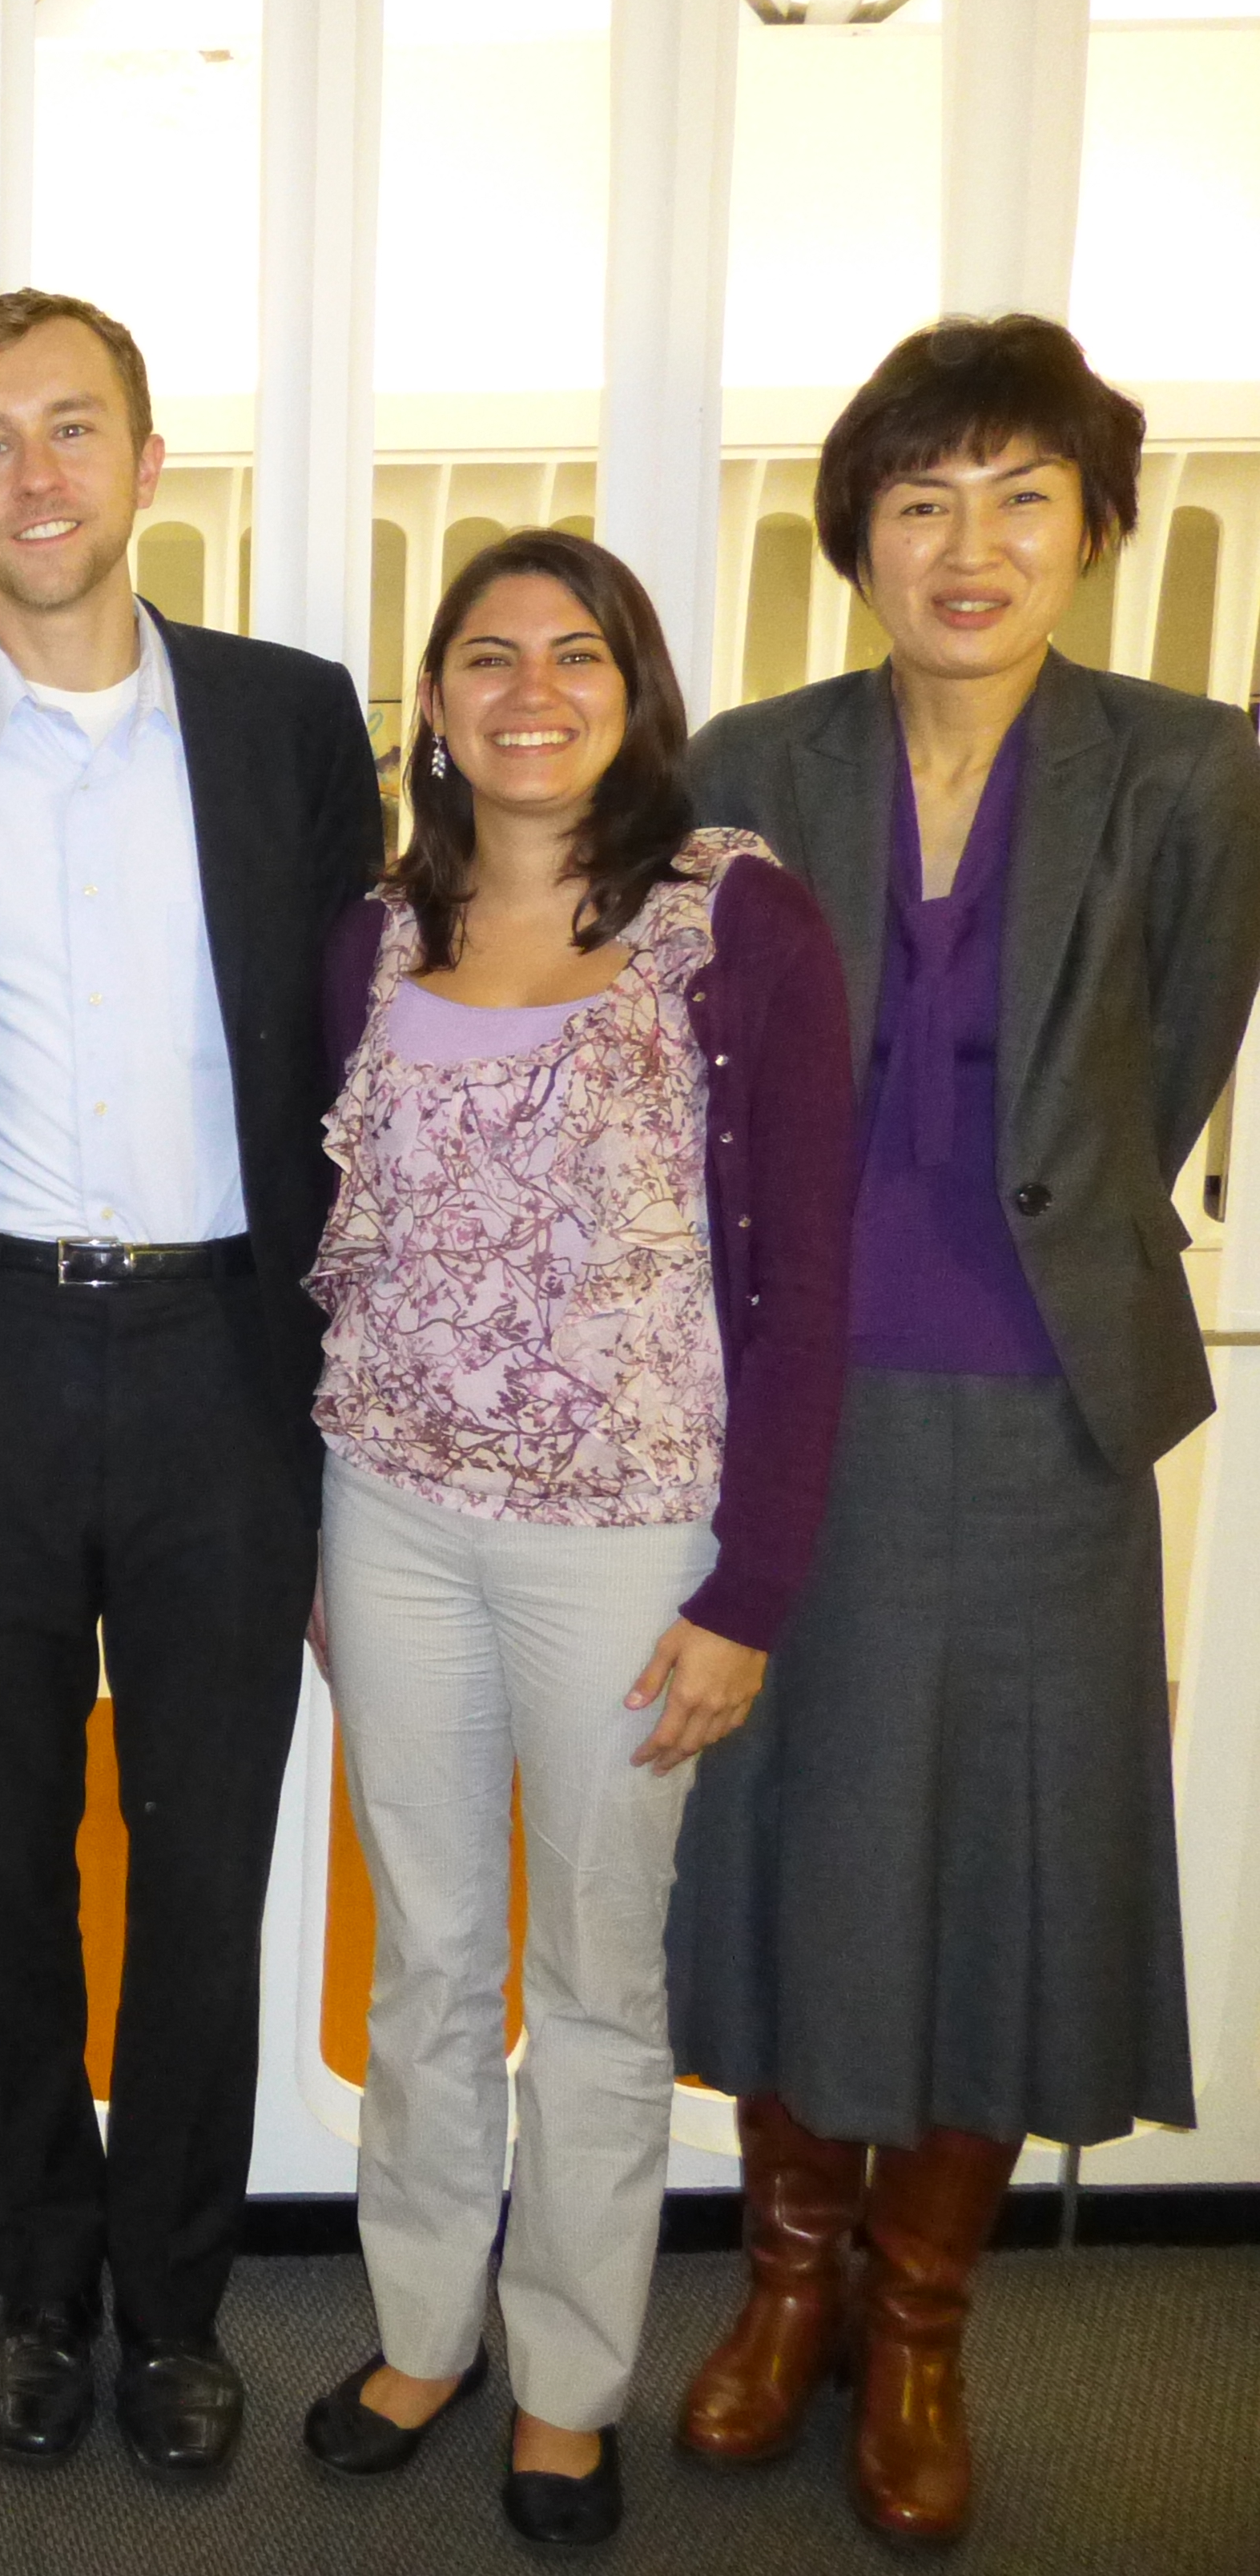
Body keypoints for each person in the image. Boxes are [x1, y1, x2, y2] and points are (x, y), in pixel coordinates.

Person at [665, 315, 1260, 2547]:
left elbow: (1166, 1069)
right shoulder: (750, 765)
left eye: (1024, 496)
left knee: (1003, 1867)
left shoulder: (1192, 769)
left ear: (1095, 527)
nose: (972, 543)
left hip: (1040, 1423)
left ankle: (920, 2321)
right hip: (790, 1409)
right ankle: (785, 2279)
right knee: (794, 1845)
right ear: (858, 540)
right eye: (923, 500)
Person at [0, 287, 384, 2474]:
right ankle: (36, 2288)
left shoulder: (289, 720)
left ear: (146, 461)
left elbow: (369, 1048)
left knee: (206, 1866)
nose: (34, 475)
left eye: (71, 428)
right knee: (5, 1870)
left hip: (231, 1363)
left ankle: (178, 2302)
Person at [294, 533, 853, 2547]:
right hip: (392, 1515)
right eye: (487, 656)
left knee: (599, 1981)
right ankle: (424, 2331)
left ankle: (569, 2383)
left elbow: (807, 1279)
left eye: (575, 654)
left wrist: (749, 1589)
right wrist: (321, 1548)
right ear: (435, 703)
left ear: (637, 690)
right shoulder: (377, 936)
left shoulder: (736, 921)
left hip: (627, 1543)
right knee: (429, 1956)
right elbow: (343, 1249)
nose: (530, 690)